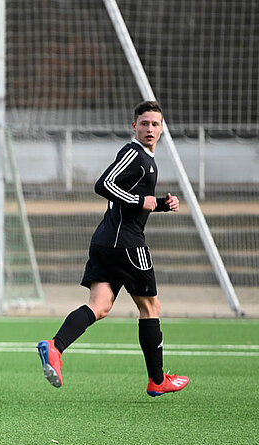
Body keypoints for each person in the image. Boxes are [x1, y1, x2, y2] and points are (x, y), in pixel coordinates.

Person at [37, 100, 189, 397]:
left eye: (155, 124)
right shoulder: (134, 153)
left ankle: (55, 347)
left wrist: (160, 204)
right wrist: (140, 201)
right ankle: (157, 380)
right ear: (134, 126)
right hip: (127, 245)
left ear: (162, 129)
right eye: (144, 123)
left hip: (107, 242)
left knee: (100, 306)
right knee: (150, 308)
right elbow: (103, 184)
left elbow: (132, 199)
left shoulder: (145, 159)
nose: (149, 129)